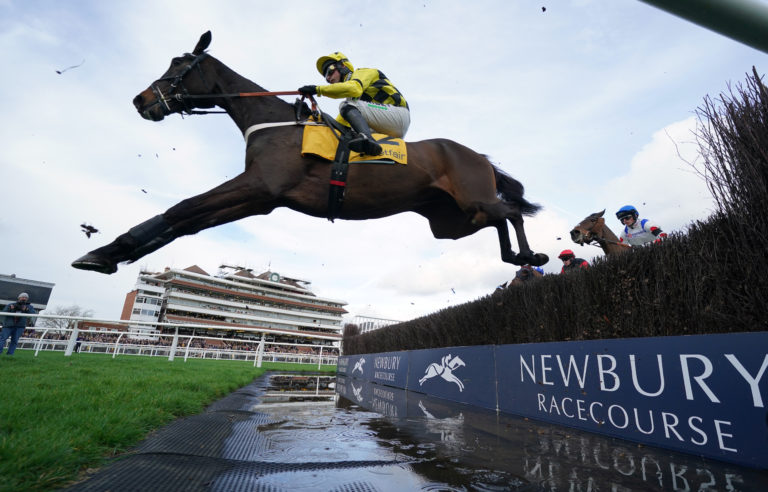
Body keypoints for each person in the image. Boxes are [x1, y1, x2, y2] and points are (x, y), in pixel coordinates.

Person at [298, 52, 411, 156]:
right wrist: (313, 117)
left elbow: (354, 88)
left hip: (398, 115)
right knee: (347, 133)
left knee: (346, 105)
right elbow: (338, 126)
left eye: (329, 71)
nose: (328, 78)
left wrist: (318, 89)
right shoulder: (352, 103)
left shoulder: (362, 74)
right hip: (385, 124)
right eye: (326, 77)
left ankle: (368, 139)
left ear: (342, 66)